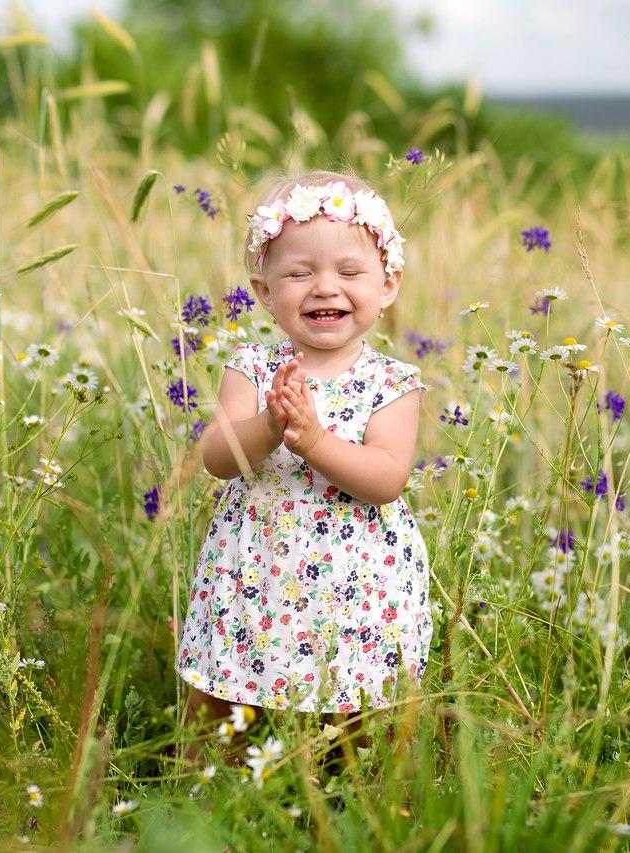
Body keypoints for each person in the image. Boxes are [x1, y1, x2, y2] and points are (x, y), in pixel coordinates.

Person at [175, 169, 432, 772]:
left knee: (354, 701)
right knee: (233, 689)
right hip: (256, 572)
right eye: (298, 273)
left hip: (358, 583)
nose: (324, 288)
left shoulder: (393, 384)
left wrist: (313, 440)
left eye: (349, 272)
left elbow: (385, 478)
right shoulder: (253, 368)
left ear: (387, 284)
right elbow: (216, 457)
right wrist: (269, 426)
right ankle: (223, 783)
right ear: (264, 291)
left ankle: (350, 787)